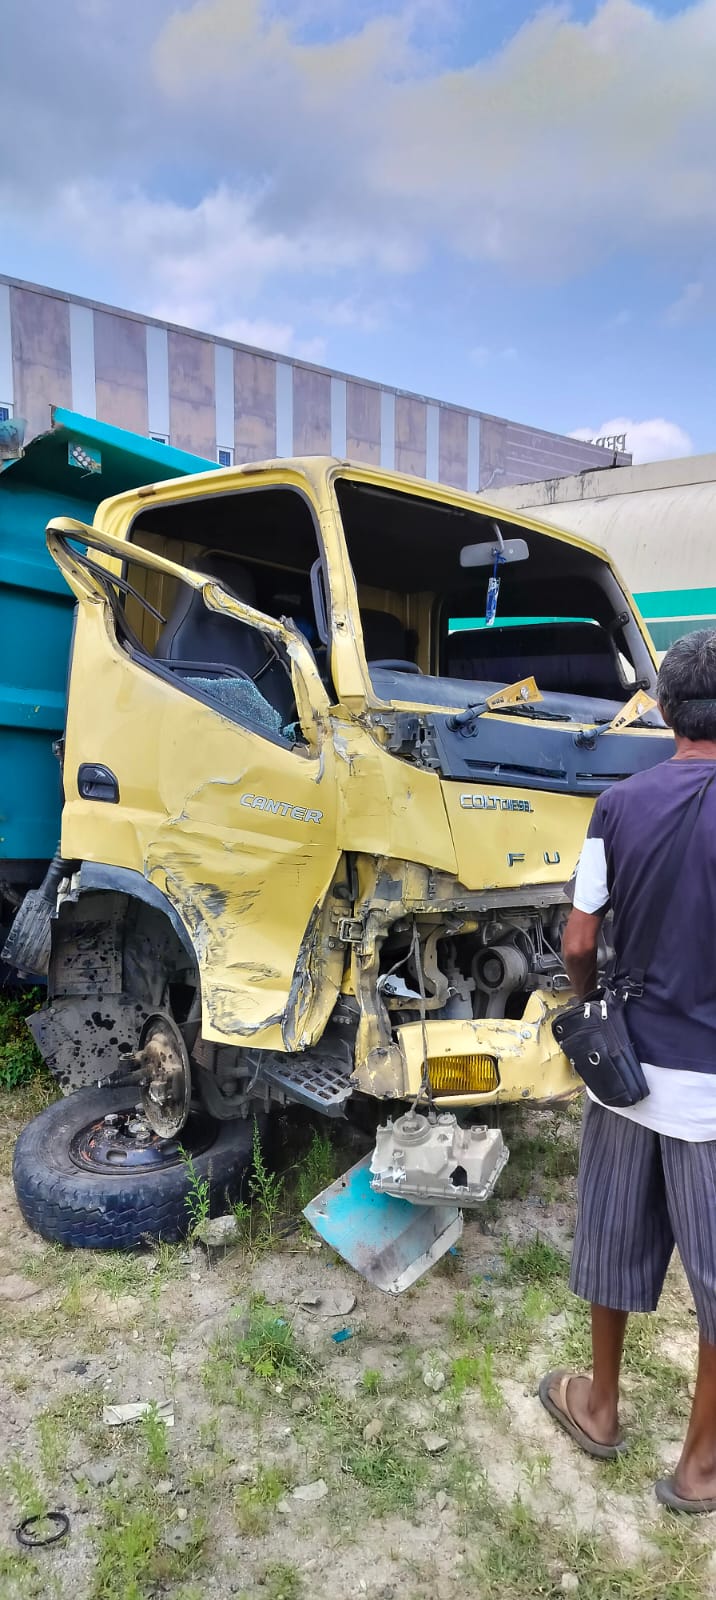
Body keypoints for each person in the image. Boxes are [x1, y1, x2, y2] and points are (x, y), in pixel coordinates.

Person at [539, 629, 716, 1514]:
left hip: (628, 1073)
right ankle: (700, 1469)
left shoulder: (618, 804)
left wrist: (592, 1000)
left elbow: (578, 939)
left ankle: (601, 1408)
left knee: (609, 1242)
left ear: (665, 710)